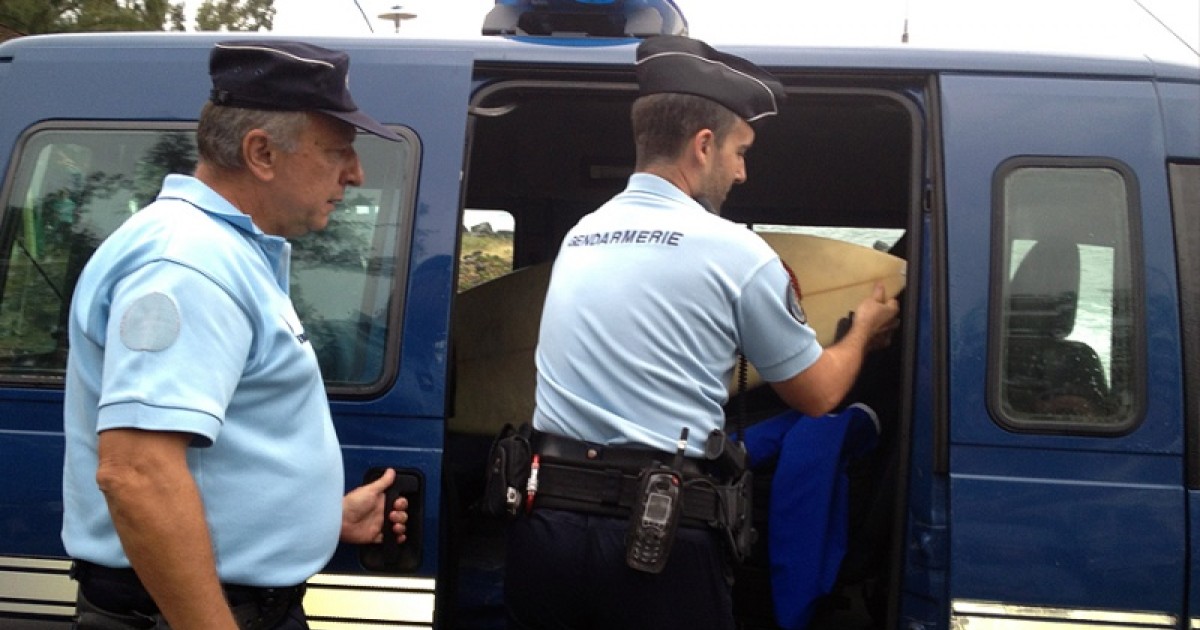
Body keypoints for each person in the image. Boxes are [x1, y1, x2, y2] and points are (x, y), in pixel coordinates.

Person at [503, 35, 900, 629]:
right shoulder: (735, 252)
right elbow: (817, 395)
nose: (742, 172)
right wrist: (863, 331)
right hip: (655, 545)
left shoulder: (582, 235)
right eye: (741, 151)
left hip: (545, 533)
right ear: (704, 144)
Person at [62, 40, 409, 630]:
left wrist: (314, 518)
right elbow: (138, 474)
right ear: (262, 153)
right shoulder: (188, 263)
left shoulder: (224, 252)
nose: (355, 174)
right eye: (339, 152)